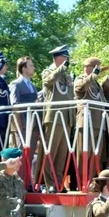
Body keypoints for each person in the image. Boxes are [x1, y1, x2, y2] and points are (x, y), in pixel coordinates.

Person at [38, 46, 76, 192]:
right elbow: (49, 82)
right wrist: (61, 69)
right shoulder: (48, 71)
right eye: (65, 57)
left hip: (66, 118)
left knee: (61, 154)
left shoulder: (66, 75)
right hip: (54, 117)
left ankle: (59, 183)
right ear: (58, 57)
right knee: (51, 152)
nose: (67, 60)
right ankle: (49, 183)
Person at [74, 57, 108, 181]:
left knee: (96, 154)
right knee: (84, 153)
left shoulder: (97, 84)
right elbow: (80, 88)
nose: (99, 73)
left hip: (99, 122)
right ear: (90, 68)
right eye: (97, 69)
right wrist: (93, 75)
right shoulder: (80, 78)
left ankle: (92, 180)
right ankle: (81, 181)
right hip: (86, 121)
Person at [9, 57, 40, 189]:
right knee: (21, 156)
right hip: (22, 125)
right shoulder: (16, 84)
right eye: (31, 65)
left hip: (32, 125)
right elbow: (14, 105)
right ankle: (19, 184)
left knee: (30, 154)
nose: (33, 68)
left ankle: (27, 183)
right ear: (24, 68)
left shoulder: (32, 86)